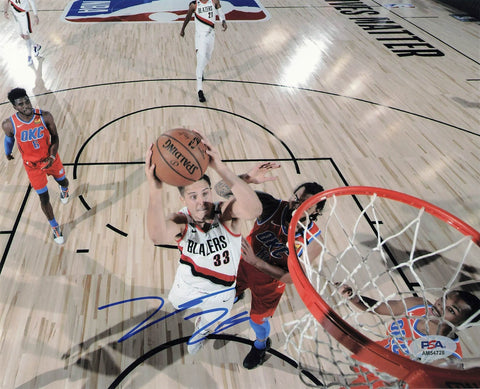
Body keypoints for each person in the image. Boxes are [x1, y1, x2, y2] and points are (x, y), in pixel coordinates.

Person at [144, 133, 262, 355]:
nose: (201, 202)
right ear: (183, 200)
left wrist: (221, 168)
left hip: (222, 290)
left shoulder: (225, 213)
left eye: (205, 193)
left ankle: (199, 332)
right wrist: (155, 188)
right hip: (188, 284)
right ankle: (191, 313)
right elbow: (157, 236)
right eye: (193, 196)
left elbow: (254, 210)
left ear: (211, 192)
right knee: (176, 306)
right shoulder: (181, 220)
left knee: (210, 324)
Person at [215, 162, 326, 369]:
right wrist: (246, 179)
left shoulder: (314, 241)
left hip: (271, 281)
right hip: (243, 265)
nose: (296, 204)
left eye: (305, 204)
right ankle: (237, 293)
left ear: (316, 210)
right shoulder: (270, 205)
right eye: (296, 198)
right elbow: (221, 191)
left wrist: (256, 262)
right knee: (221, 295)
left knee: (257, 320)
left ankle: (261, 345)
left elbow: (290, 278)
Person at [338, 283, 480, 388]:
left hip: (389, 380)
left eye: (451, 310)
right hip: (379, 354)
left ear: (463, 324)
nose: (440, 305)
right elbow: (379, 307)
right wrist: (356, 298)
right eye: (444, 298)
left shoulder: (448, 355)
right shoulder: (417, 305)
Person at [2, 88, 70, 244]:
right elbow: (9, 139)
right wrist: (7, 152)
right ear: (14, 106)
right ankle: (54, 227)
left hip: (51, 159)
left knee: (63, 181)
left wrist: (52, 156)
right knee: (43, 197)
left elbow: (55, 137)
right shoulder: (8, 124)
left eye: (27, 101)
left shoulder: (44, 116)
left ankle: (64, 189)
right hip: (32, 166)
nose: (26, 105)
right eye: (21, 104)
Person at [180, 0, 227, 103]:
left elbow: (219, 7)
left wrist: (223, 20)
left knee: (207, 57)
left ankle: (200, 71)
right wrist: (183, 29)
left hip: (211, 35)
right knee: (200, 58)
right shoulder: (194, 5)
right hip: (200, 37)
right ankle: (200, 90)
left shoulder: (214, 1)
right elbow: (187, 17)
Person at [3, 0, 42, 66]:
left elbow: (32, 2)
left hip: (24, 14)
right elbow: (6, 1)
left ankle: (29, 57)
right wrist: (5, 11)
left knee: (26, 35)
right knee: (22, 35)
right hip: (15, 15)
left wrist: (36, 15)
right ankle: (36, 46)